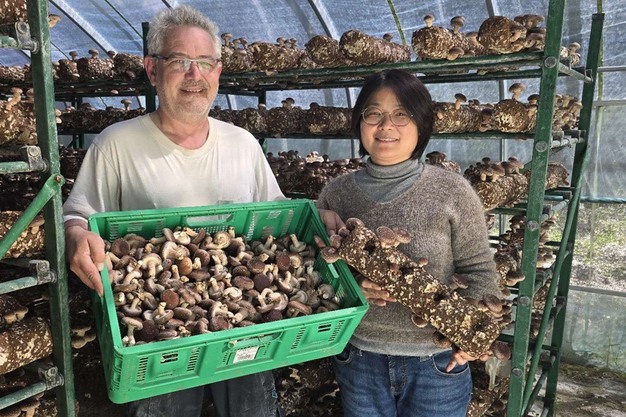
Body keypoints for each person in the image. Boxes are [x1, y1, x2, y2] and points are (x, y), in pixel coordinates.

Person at [63, 5, 284, 417]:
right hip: (158, 340)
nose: (194, 74)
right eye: (180, 61)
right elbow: (78, 211)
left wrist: (321, 216)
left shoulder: (243, 144)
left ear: (218, 72)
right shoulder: (116, 143)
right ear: (152, 69)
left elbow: (278, 212)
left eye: (205, 62)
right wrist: (75, 233)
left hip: (245, 326)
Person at [315, 69, 503, 417]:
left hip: (435, 364)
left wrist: (472, 334)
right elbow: (318, 275)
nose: (386, 125)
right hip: (360, 358)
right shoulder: (336, 193)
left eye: (401, 114)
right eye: (373, 113)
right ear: (359, 122)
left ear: (421, 123)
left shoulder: (452, 190)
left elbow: (479, 268)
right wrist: (353, 286)